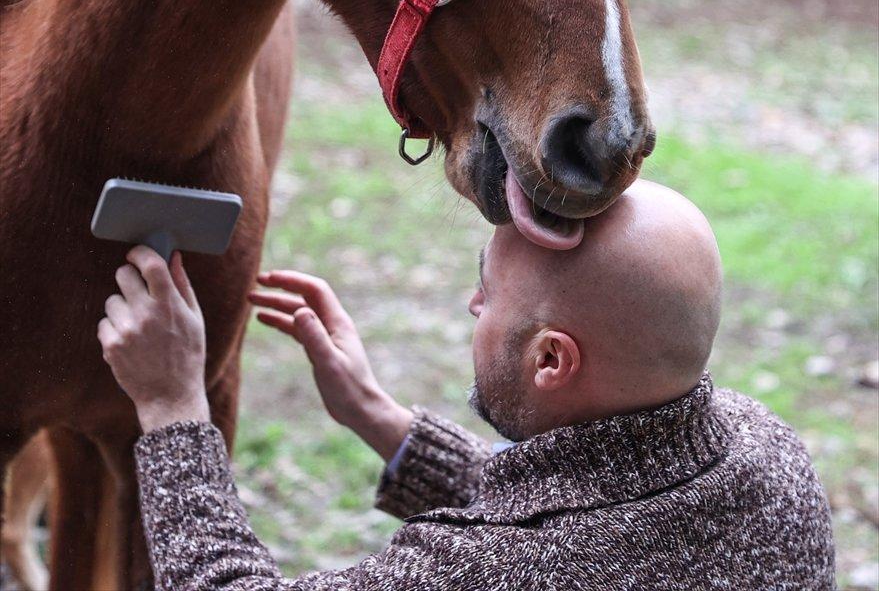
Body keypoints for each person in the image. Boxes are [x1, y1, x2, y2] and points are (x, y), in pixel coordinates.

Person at [98, 180, 836, 590]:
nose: (471, 305)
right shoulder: (773, 460)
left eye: (486, 290)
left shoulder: (485, 573)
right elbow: (580, 513)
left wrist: (172, 407)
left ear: (551, 361)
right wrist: (378, 417)